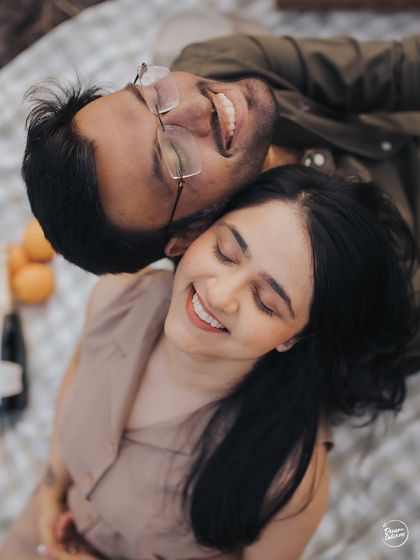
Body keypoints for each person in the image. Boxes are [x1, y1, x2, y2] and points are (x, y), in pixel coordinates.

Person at [1, 165, 417, 560]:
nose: (220, 295)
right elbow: (77, 375)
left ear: (294, 337)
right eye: (225, 251)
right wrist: (51, 495)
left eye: (265, 301)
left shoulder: (288, 483)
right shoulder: (118, 298)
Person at [21, 35, 420, 279]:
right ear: (190, 236)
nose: (197, 108)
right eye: (175, 156)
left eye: (151, 96)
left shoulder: (219, 65)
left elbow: (396, 70)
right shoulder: (291, 275)